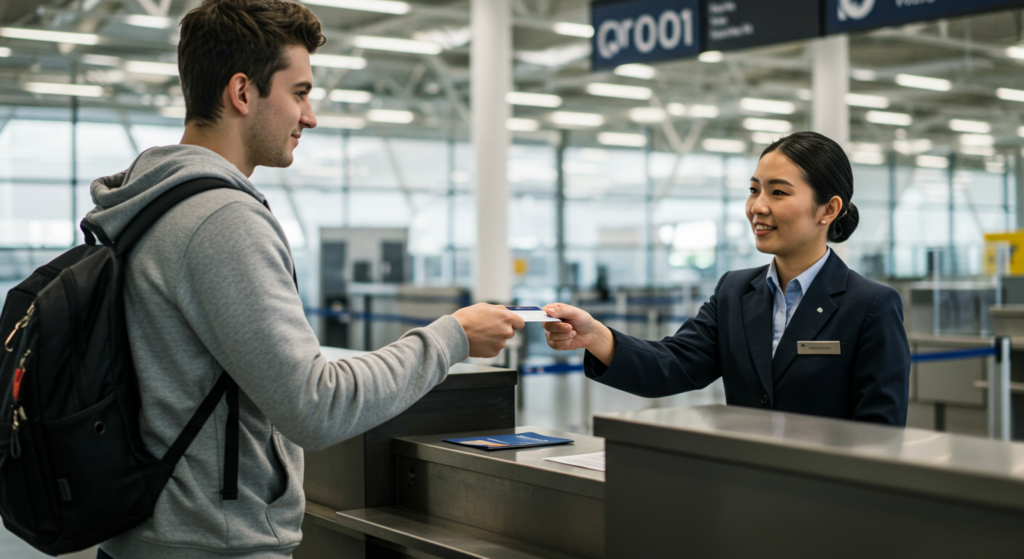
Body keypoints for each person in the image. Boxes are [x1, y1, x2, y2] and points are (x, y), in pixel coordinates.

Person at [87, 1, 524, 558]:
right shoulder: (222, 220)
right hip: (211, 545)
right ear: (242, 93)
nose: (310, 116)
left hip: (144, 535)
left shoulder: (147, 204)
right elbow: (316, 407)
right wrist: (452, 337)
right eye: (299, 92)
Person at [543, 132, 910, 426]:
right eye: (754, 190)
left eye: (778, 192)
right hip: (743, 491)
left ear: (828, 209)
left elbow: (880, 431)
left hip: (824, 501)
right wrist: (594, 335)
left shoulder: (870, 306)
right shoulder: (735, 292)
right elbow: (671, 366)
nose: (757, 206)